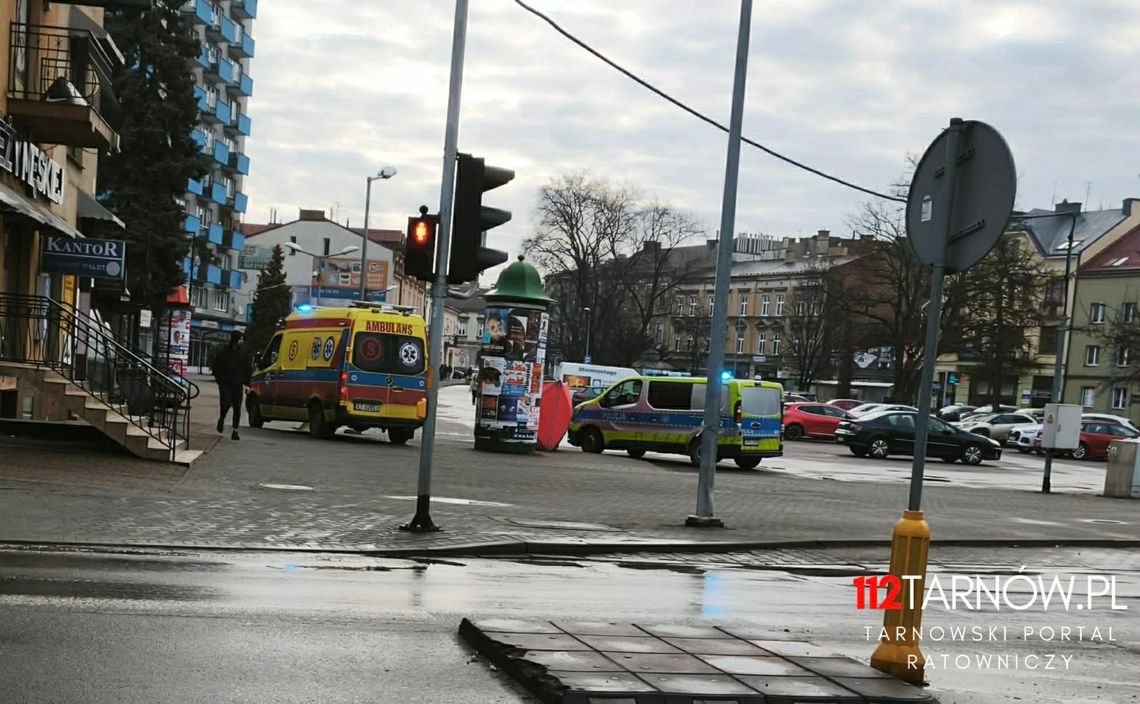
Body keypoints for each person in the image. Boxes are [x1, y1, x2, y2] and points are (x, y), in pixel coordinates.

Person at [211, 331, 252, 440]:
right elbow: (216, 366)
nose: (241, 341)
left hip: (237, 384)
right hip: (225, 383)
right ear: (235, 339)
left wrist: (247, 384)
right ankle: (222, 417)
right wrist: (219, 380)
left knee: (237, 408)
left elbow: (247, 369)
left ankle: (235, 430)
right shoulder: (224, 352)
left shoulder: (243, 353)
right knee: (226, 402)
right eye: (240, 339)